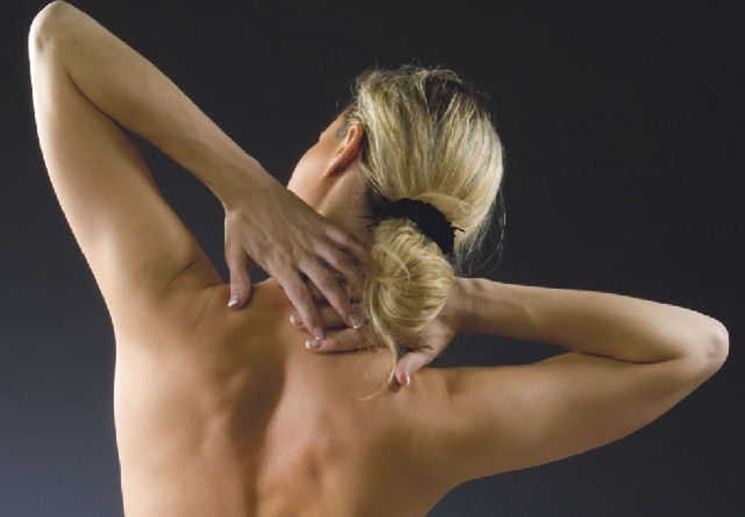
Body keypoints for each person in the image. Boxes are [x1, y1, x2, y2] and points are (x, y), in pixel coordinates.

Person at [28, 2, 729, 516]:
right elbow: (697, 347)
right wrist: (469, 301)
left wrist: (245, 187)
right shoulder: (422, 415)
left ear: (346, 143)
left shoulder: (167, 308)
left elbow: (57, 37)